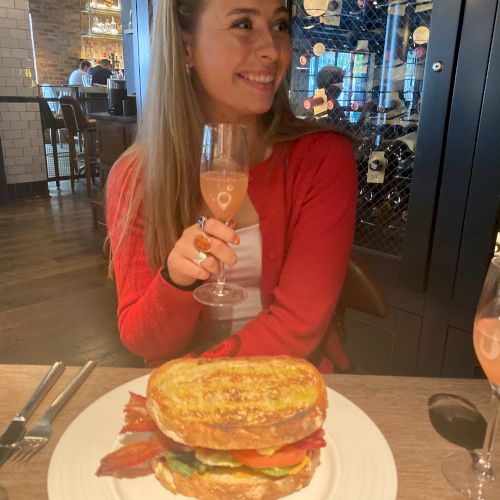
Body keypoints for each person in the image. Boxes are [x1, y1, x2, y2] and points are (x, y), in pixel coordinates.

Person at [106, 0, 357, 372]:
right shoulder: (135, 175)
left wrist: (194, 378)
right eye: (243, 24)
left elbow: (297, 328)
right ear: (186, 46)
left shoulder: (322, 158)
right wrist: (177, 281)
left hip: (287, 386)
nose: (273, 50)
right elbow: (141, 338)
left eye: (279, 25)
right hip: (186, 407)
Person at [316, 65, 376, 135]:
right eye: (340, 85)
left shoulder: (319, 100)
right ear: (330, 86)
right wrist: (365, 110)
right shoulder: (331, 105)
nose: (342, 88)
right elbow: (353, 130)